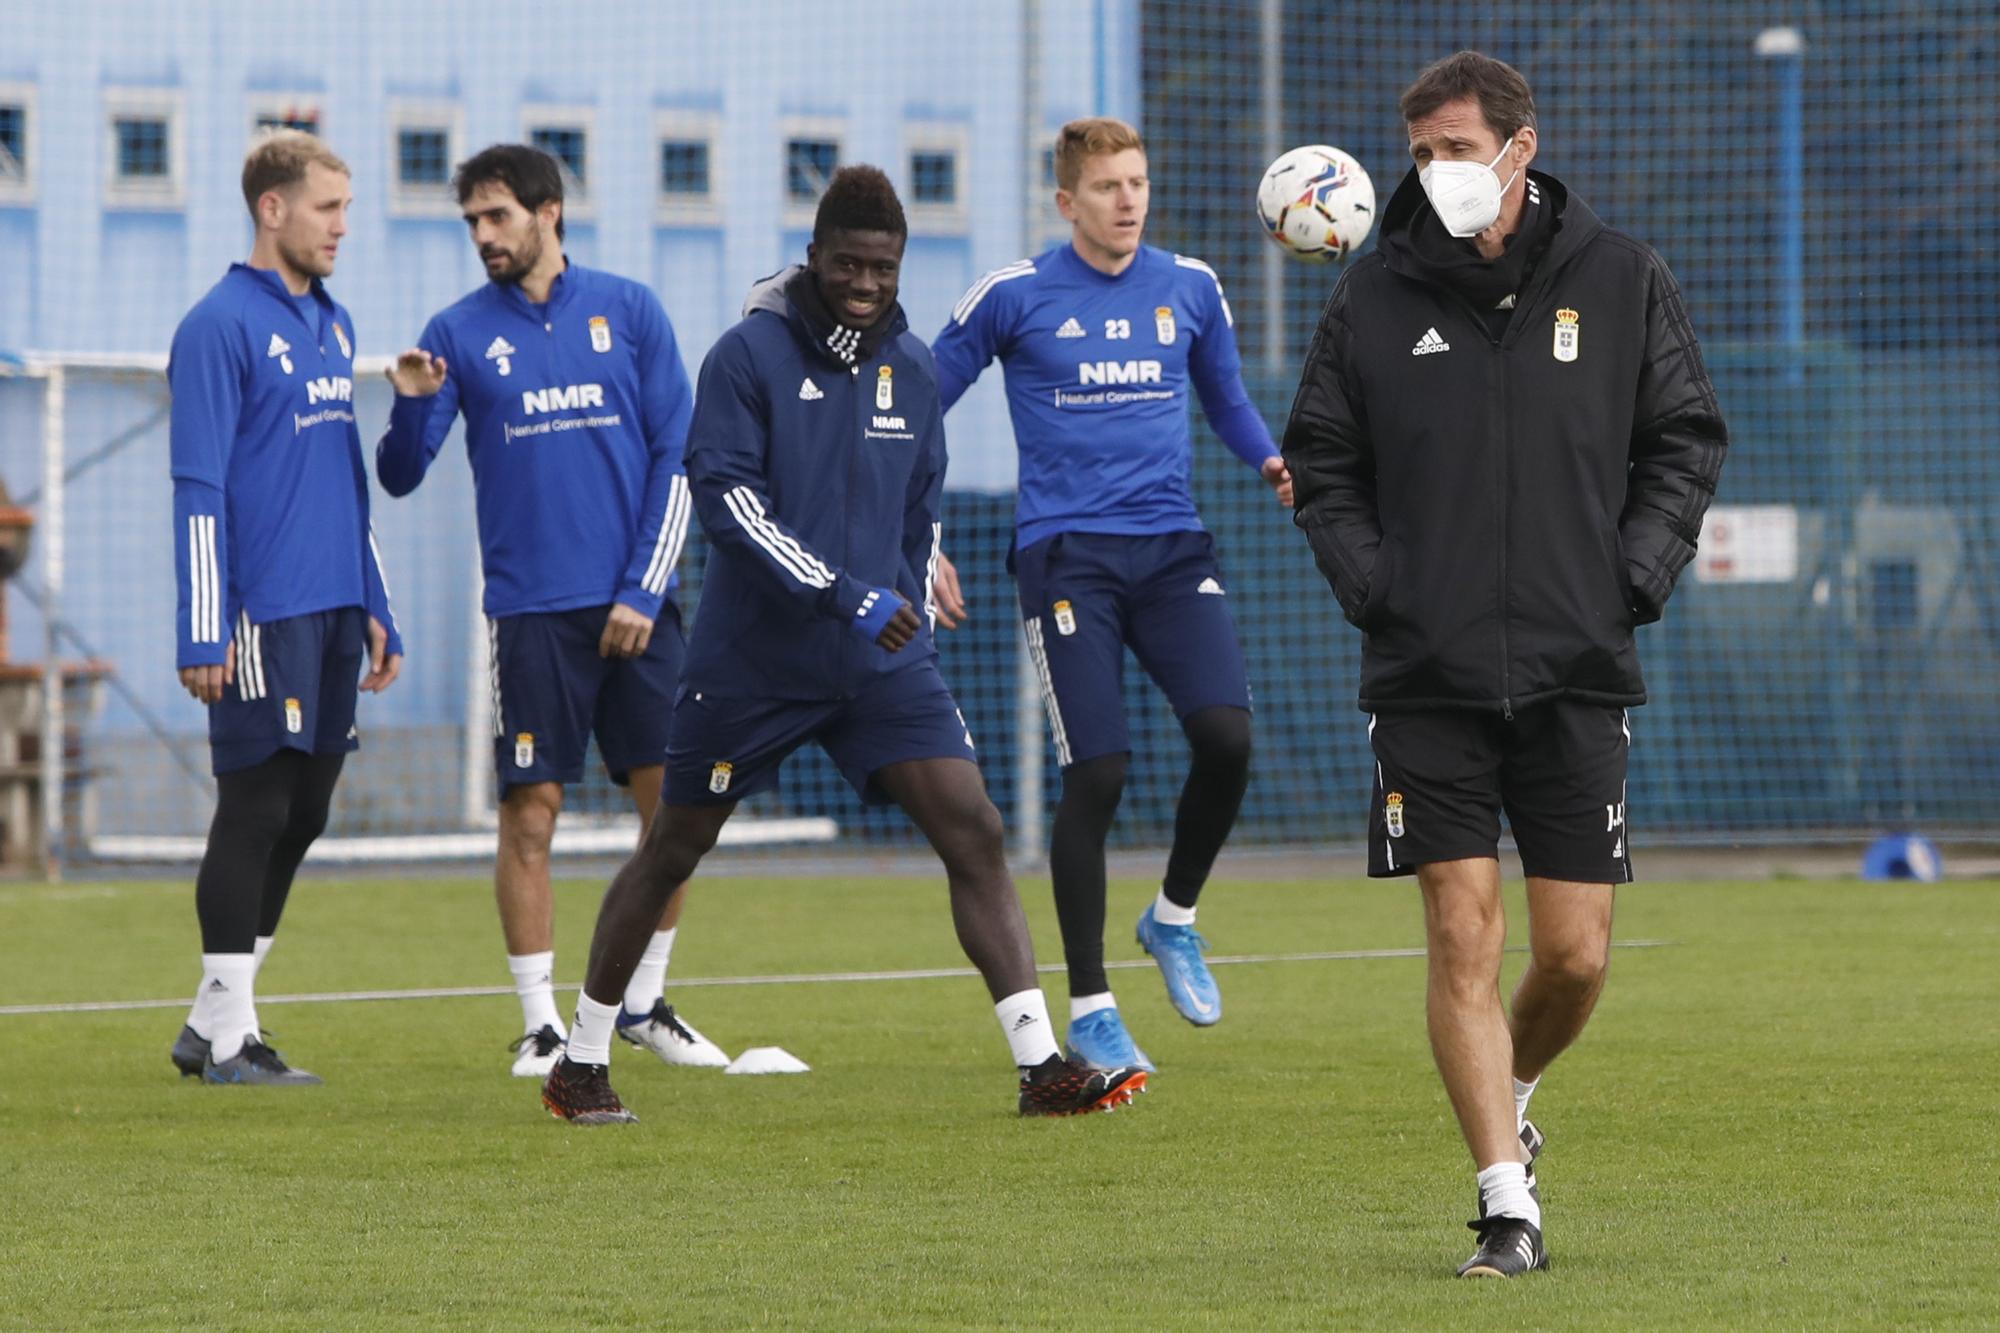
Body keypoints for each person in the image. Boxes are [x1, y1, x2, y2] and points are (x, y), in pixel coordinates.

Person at [538, 165, 1148, 1124]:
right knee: (673, 847)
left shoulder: (914, 368)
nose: (866, 282)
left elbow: (920, 503)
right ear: (815, 256)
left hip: (880, 661)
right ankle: (579, 1063)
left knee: (974, 826)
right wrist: (842, 590)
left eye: (884, 266)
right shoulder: (746, 356)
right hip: (753, 664)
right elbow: (730, 502)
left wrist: (912, 581)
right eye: (850, 263)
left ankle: (1042, 1066)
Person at [1282, 51, 1728, 1277]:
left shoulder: (1621, 277)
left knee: (1575, 954)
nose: (1437, 174)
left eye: (1458, 149)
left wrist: (1631, 579)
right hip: (1422, 675)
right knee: (1459, 934)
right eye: (1420, 153)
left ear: (1519, 151)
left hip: (1577, 663)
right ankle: (1503, 1206)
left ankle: (1513, 1086)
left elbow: (1685, 439)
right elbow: (1319, 461)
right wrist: (1378, 592)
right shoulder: (1370, 295)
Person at [929, 117, 1292, 1074]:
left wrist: (1268, 457)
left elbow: (1224, 397)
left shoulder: (1192, 287)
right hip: (1067, 559)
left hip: (1171, 550)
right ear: (1066, 201)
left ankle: (1173, 918)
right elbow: (915, 404)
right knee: (1098, 772)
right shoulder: (1014, 296)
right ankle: (1090, 1005)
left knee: (1228, 737)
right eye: (1106, 187)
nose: (1127, 200)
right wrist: (916, 536)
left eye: (1136, 182)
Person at [377, 144, 726, 1078]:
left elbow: (678, 458)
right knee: (530, 815)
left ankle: (644, 1000)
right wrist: (410, 405)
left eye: (497, 217)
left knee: (678, 813)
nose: (483, 237)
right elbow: (403, 475)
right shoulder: (454, 331)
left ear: (549, 212)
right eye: (473, 223)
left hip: (640, 609)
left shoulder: (631, 310)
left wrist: (642, 591)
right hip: (531, 616)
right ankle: (539, 1023)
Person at [167, 130, 404, 1085]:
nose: (344, 227)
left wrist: (376, 596)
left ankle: (212, 1018)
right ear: (273, 209)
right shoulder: (217, 325)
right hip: (259, 612)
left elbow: (345, 477)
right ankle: (228, 1040)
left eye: (347, 208)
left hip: (336, 608)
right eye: (328, 208)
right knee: (256, 807)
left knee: (306, 812)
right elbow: (198, 486)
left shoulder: (334, 323)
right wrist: (202, 623)